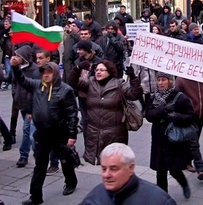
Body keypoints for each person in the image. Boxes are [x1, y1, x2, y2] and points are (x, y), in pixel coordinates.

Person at [10, 60, 79, 205]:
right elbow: (22, 80)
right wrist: (15, 67)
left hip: (60, 133)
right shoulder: (37, 86)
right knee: (40, 165)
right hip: (41, 134)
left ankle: (71, 182)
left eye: (49, 72)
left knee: (65, 160)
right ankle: (35, 196)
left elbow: (72, 114)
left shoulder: (65, 90)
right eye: (43, 72)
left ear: (55, 73)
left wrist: (72, 135)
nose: (46, 75)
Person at [71, 60, 143, 165]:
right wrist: (77, 68)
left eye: (102, 70)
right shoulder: (90, 82)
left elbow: (135, 94)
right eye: (97, 70)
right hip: (94, 133)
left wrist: (133, 77)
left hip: (114, 134)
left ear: (109, 71)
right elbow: (73, 82)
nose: (98, 72)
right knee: (104, 165)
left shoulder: (119, 84)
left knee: (115, 163)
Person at [145, 72, 194, 198]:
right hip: (158, 139)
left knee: (174, 168)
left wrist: (176, 117)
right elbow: (149, 116)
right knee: (160, 171)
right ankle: (163, 198)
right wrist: (163, 110)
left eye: (163, 80)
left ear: (170, 81)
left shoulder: (180, 97)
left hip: (173, 139)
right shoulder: (152, 97)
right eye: (159, 80)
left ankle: (184, 183)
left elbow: (190, 116)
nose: (160, 83)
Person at [79, 143, 177, 205]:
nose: (106, 175)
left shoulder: (159, 200)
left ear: (131, 168)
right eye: (104, 169)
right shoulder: (95, 196)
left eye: (114, 169)